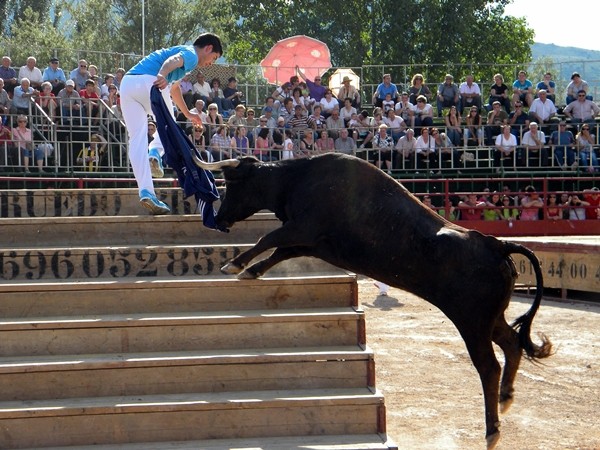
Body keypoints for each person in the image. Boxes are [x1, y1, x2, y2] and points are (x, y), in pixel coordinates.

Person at [119, 32, 222, 214]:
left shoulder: (185, 57)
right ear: (208, 48)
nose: (210, 64)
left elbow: (174, 89)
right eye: (213, 58)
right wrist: (162, 75)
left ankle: (146, 192)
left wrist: (188, 113)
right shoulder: (191, 54)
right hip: (150, 81)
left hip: (128, 85)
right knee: (169, 126)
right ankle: (155, 152)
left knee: (136, 138)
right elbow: (174, 61)